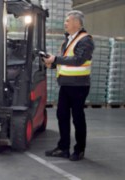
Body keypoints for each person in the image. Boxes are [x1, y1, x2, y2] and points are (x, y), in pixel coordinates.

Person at [43, 10, 94, 161]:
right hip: (65, 84)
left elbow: (78, 60)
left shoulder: (86, 40)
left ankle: (79, 150)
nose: (65, 23)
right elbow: (65, 62)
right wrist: (51, 64)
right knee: (62, 115)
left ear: (77, 23)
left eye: (67, 21)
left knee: (77, 118)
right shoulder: (68, 40)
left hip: (79, 86)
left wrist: (56, 59)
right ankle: (63, 148)